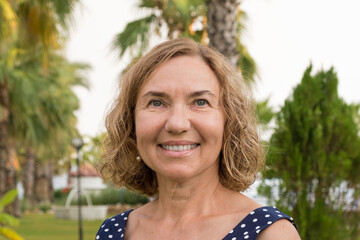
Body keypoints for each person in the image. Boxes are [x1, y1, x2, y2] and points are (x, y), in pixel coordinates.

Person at [95, 38, 301, 240]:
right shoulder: (112, 232)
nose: (177, 124)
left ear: (229, 121)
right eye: (156, 103)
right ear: (130, 123)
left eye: (200, 102)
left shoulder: (270, 234)